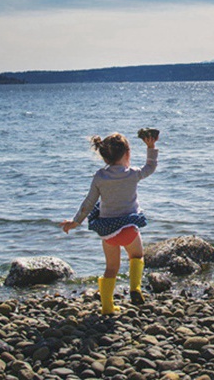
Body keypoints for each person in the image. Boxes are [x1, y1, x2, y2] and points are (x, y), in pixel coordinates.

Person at [60, 131, 159, 314]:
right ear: (127, 153)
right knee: (137, 256)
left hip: (108, 231)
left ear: (104, 156)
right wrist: (151, 148)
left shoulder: (99, 177)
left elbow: (89, 203)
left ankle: (107, 307)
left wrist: (75, 222)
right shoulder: (132, 174)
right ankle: (135, 288)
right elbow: (150, 167)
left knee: (111, 268)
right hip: (129, 228)